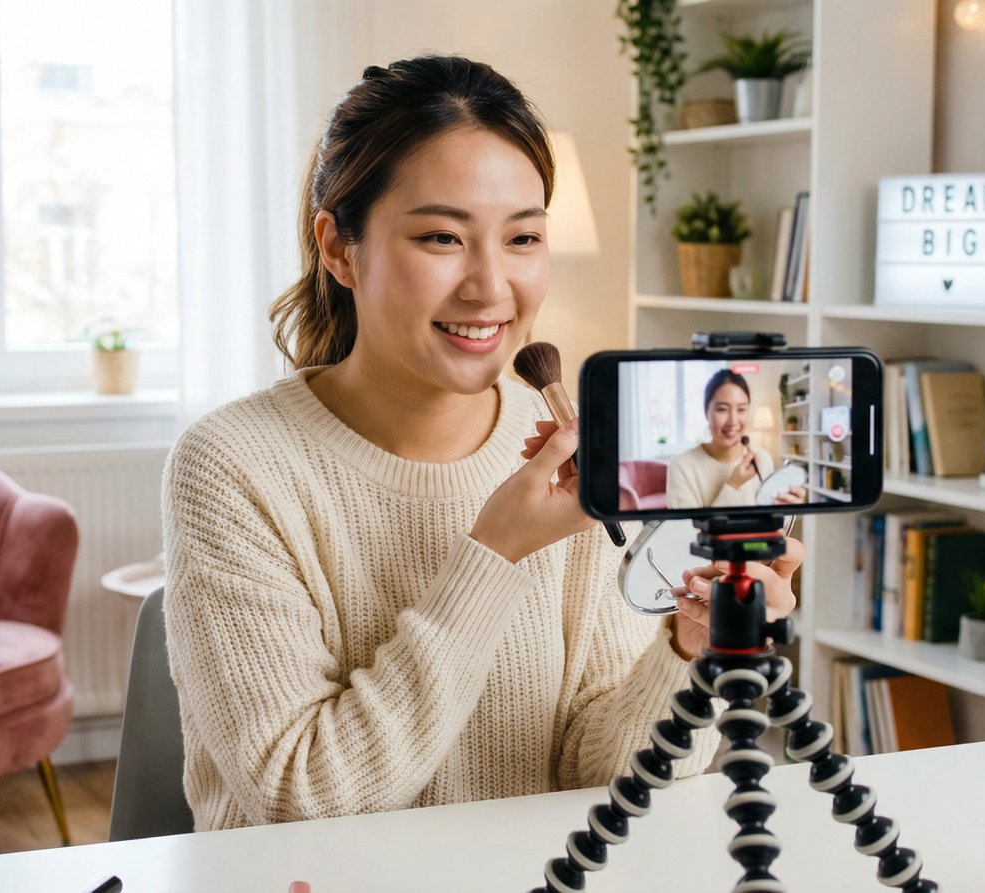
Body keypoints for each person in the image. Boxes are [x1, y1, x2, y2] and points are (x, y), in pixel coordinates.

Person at [161, 54, 802, 832]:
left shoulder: (572, 457)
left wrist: (688, 650)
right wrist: (493, 554)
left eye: (523, 238)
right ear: (338, 248)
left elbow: (602, 775)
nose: (491, 287)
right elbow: (305, 797)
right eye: (441, 238)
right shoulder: (232, 465)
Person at [667, 369, 808, 509]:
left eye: (741, 409)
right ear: (706, 412)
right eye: (722, 409)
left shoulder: (762, 460)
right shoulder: (681, 466)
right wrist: (733, 485)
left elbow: (772, 526)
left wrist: (788, 510)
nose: (733, 421)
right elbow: (685, 531)